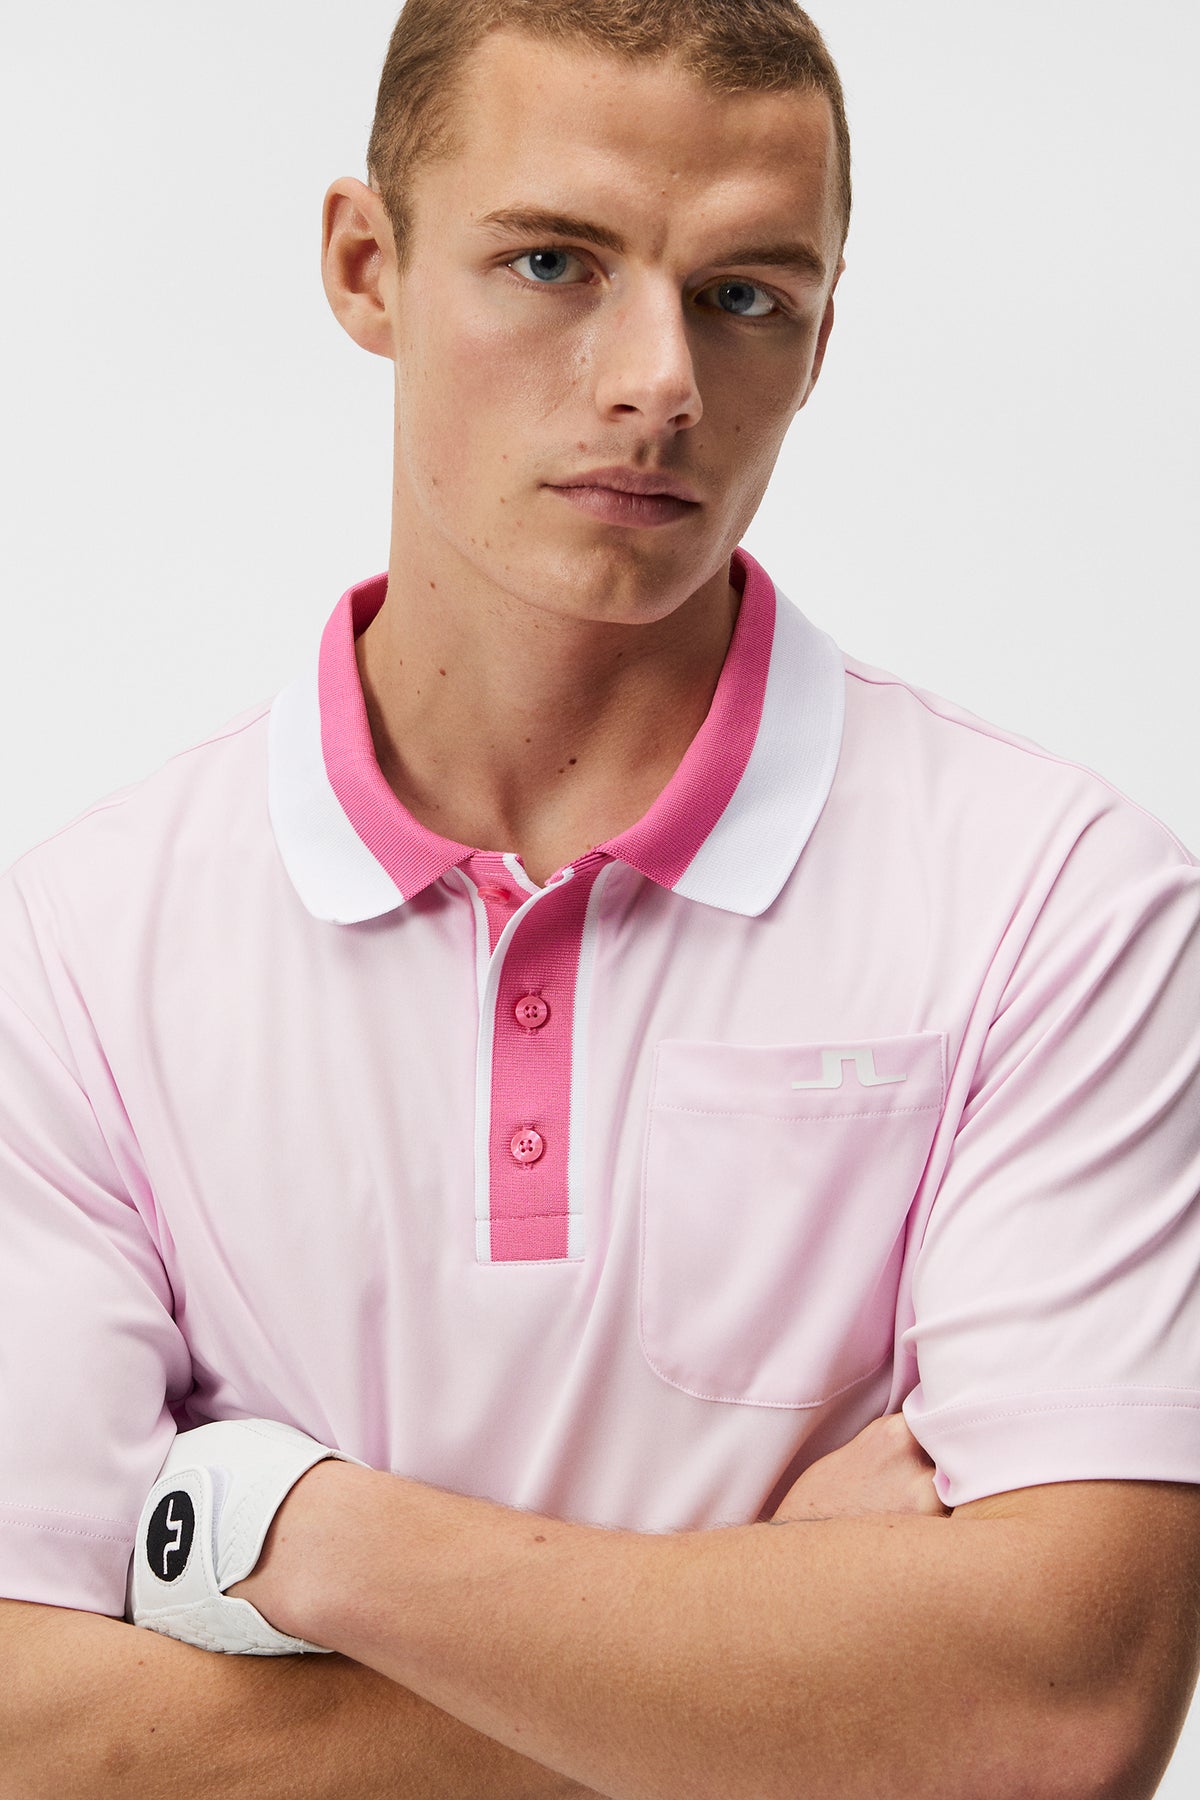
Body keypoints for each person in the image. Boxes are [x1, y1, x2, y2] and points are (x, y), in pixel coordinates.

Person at [2, 1, 1199, 1795]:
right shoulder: (76, 959)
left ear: (821, 335)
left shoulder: (1062, 904)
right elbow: (31, 1735)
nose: (660, 380)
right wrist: (793, 1679)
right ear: (367, 267)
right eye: (554, 263)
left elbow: (1056, 1716)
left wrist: (293, 1530)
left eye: (746, 295)